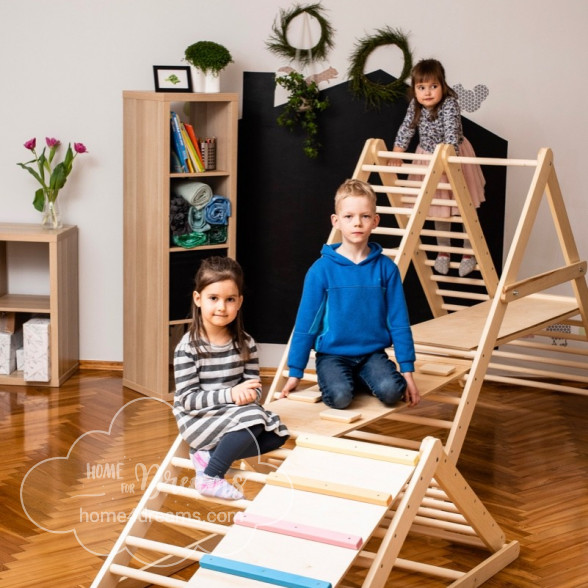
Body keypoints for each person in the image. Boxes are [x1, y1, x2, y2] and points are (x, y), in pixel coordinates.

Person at [280, 179, 421, 410]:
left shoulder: (387, 269)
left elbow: (399, 322)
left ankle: (362, 378)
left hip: (372, 354)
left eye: (365, 216)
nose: (357, 223)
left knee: (392, 392)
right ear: (336, 221)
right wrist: (295, 372)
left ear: (375, 221)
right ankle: (345, 380)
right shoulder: (320, 271)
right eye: (349, 217)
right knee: (340, 398)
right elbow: (306, 324)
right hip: (332, 356)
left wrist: (408, 373)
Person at [174, 256, 289, 500]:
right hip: (198, 419)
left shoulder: (246, 343)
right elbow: (186, 400)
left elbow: (255, 390)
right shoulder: (188, 347)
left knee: (278, 434)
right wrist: (231, 394)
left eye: (230, 300)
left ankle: (207, 455)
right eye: (213, 298)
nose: (221, 307)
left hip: (233, 414)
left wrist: (248, 394)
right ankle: (211, 476)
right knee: (256, 419)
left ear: (239, 302)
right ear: (198, 299)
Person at [393, 58, 486, 277]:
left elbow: (452, 132)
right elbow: (406, 129)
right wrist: (397, 152)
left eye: (433, 86)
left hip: (453, 155)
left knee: (463, 207)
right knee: (438, 209)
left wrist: (449, 159)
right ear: (414, 90)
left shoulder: (450, 103)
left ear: (443, 86)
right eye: (421, 87)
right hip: (427, 157)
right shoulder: (415, 106)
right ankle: (443, 251)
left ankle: (467, 251)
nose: (427, 92)